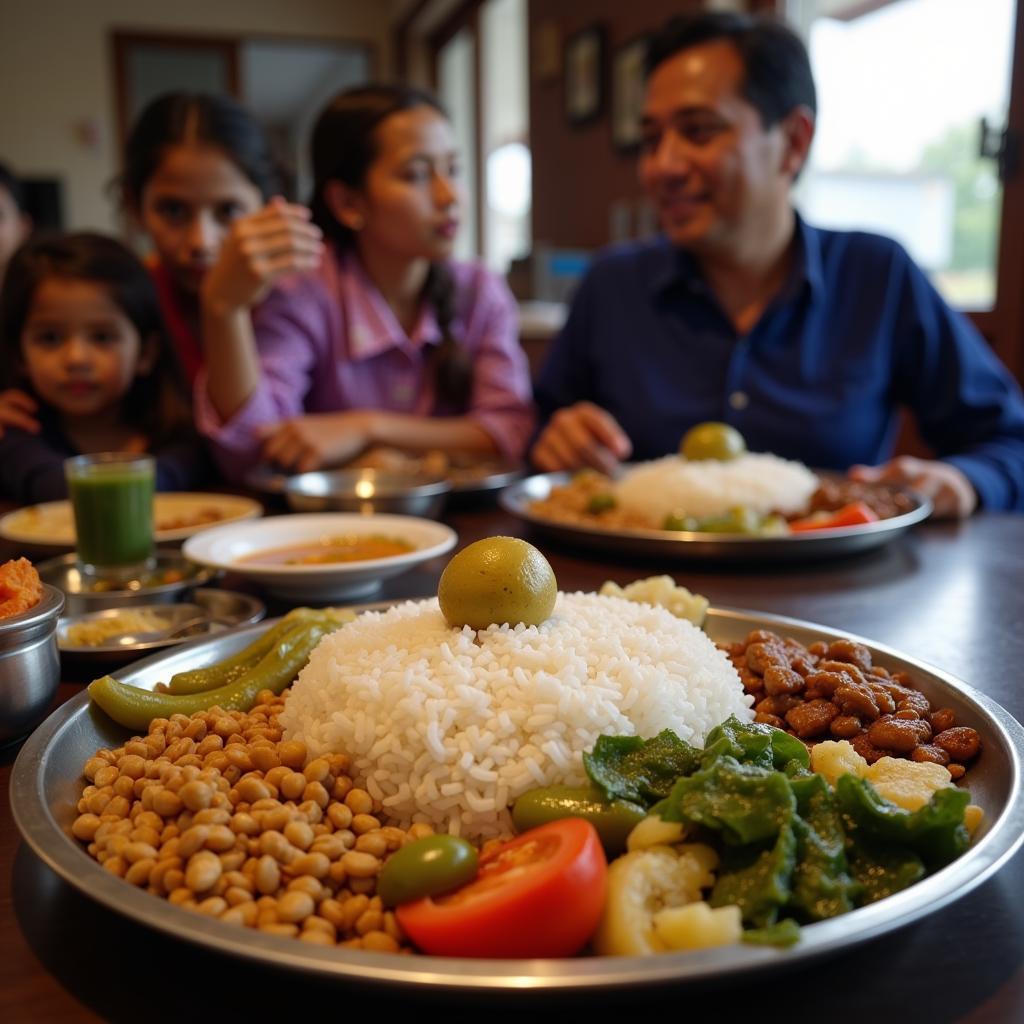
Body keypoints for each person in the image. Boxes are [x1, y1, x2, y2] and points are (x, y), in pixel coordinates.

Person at [531, 11, 1024, 517]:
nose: (663, 167)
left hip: (837, 586)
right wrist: (559, 438)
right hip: (635, 587)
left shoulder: (877, 274)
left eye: (698, 132)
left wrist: (962, 481)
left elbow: (1010, 443)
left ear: (793, 142)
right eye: (652, 139)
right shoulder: (612, 284)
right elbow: (539, 437)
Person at [195, 84, 534, 478]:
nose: (449, 195)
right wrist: (222, 309)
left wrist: (366, 428)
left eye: (454, 170)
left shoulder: (478, 291)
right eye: (417, 174)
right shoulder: (303, 291)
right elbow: (253, 445)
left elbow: (509, 430)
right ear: (347, 203)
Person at [0, 92, 321, 436]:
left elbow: (261, 446)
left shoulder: (296, 301)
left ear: (267, 205)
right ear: (135, 206)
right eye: (172, 211)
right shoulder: (125, 301)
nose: (201, 242)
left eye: (227, 211)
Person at [0, 232, 209, 502]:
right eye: (50, 338)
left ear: (146, 353)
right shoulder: (16, 431)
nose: (76, 359)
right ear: (19, 355)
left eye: (102, 337)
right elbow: (52, 486)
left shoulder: (182, 435)